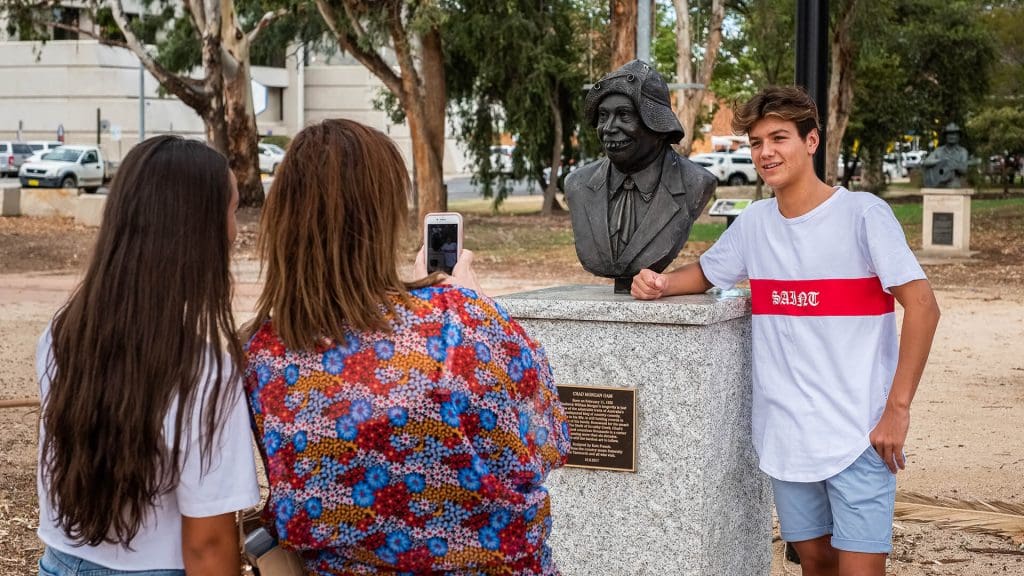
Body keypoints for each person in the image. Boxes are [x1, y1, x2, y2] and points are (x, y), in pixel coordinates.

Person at [631, 86, 940, 576]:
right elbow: (708, 273)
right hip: (786, 436)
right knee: (815, 563)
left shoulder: (863, 215)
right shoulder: (755, 223)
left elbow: (923, 307)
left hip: (857, 433)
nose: (765, 152)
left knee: (860, 569)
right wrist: (660, 283)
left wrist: (897, 410)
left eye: (779, 138)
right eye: (755, 142)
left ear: (811, 140)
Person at [244, 118, 571, 575]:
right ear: (382, 217)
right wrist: (471, 301)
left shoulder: (261, 356)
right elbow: (547, 443)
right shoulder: (460, 322)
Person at [35, 136, 260, 575]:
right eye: (231, 212)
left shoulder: (61, 335)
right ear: (195, 233)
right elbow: (208, 545)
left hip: (60, 563)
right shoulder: (207, 372)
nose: (235, 233)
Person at [564, 59, 716, 293]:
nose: (609, 128)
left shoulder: (696, 183)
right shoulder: (577, 184)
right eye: (603, 116)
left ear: (658, 126)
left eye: (624, 115)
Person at [921, 123, 969, 188]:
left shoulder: (962, 151)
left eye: (954, 134)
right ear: (945, 136)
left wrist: (955, 165)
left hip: (953, 183)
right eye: (949, 134)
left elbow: (964, 170)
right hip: (937, 183)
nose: (951, 136)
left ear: (958, 136)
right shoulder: (938, 150)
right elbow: (926, 162)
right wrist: (942, 161)